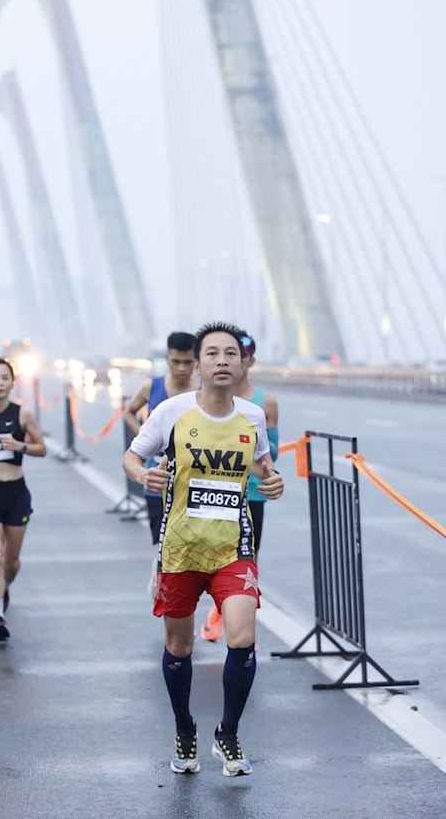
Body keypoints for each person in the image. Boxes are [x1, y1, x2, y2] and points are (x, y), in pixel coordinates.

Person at [122, 322, 283, 777]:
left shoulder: (252, 417)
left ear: (241, 362)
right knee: (179, 645)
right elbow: (133, 456)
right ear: (197, 365)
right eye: (211, 354)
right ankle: (185, 727)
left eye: (230, 353)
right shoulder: (172, 411)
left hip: (233, 547)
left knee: (242, 635)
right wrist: (142, 475)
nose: (222, 361)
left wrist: (273, 482)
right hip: (180, 550)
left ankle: (228, 734)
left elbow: (264, 468)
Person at [200, 332, 281, 642]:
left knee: (246, 562)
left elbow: (270, 452)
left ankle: (235, 624)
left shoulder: (264, 404)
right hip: (212, 492)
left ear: (248, 360)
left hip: (251, 495)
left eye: (240, 355)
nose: (236, 361)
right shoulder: (204, 399)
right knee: (205, 562)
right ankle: (219, 607)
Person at [0, 358, 47, 642]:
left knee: (11, 562)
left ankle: (2, 587)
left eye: (5, 378)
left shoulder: (23, 415)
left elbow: (42, 448)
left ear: (11, 382)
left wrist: (21, 446)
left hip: (16, 493)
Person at [123, 332, 198, 545]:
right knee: (162, 548)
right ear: (167, 359)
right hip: (157, 483)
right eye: (176, 362)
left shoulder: (202, 392)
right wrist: (145, 436)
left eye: (188, 362)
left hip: (193, 485)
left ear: (196, 362)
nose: (182, 368)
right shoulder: (151, 386)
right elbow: (128, 412)